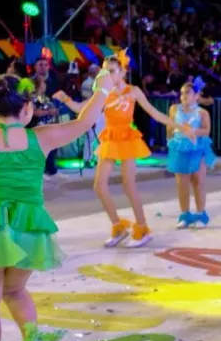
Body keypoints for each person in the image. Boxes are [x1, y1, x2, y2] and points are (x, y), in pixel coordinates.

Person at [0, 71, 113, 341]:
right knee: (15, 290)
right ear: (26, 109)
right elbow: (84, 122)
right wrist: (103, 87)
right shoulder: (41, 137)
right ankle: (32, 340)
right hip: (29, 229)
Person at [55, 51, 195, 248]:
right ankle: (118, 227)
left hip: (127, 138)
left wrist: (182, 128)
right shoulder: (103, 93)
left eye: (112, 71)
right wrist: (66, 99)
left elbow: (155, 114)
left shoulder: (133, 91)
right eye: (105, 72)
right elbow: (81, 109)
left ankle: (142, 228)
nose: (108, 75)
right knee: (99, 186)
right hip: (110, 137)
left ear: (122, 72)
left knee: (129, 185)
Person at [167, 77, 216, 229]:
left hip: (197, 148)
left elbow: (206, 131)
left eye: (187, 93)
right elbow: (169, 127)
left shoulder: (202, 112)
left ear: (196, 95)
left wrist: (191, 131)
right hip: (179, 147)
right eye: (182, 93)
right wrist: (170, 141)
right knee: (181, 183)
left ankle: (201, 214)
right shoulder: (174, 109)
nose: (184, 96)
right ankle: (185, 214)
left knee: (198, 181)